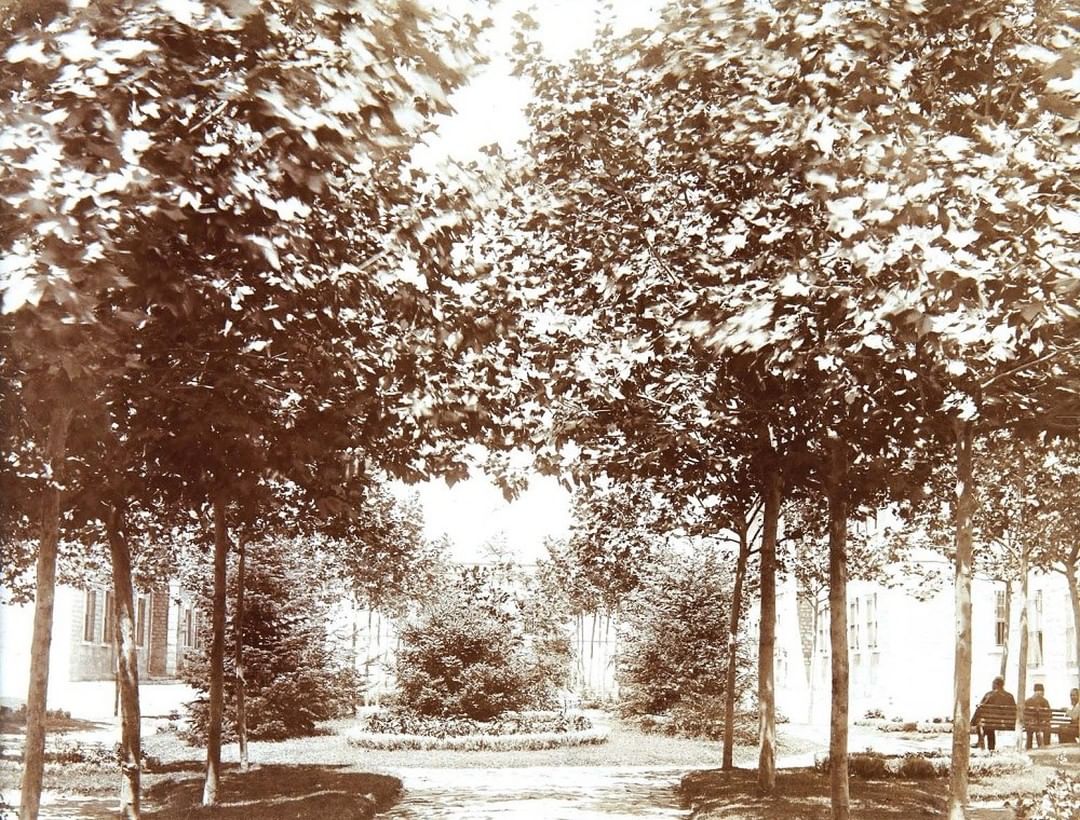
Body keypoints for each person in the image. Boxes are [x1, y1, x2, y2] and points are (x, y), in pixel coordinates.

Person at [972, 676, 1016, 751]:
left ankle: (983, 744)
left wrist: (972, 722)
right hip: (1007, 723)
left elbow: (981, 708)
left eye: (993, 684)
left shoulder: (989, 695)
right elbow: (1014, 710)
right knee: (989, 726)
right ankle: (988, 747)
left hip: (990, 722)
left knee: (986, 724)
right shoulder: (1010, 696)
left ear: (995, 684)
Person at [1023, 683, 1051, 749]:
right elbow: (1049, 715)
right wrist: (1044, 721)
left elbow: (1024, 714)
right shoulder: (1045, 701)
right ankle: (1046, 746)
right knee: (1046, 728)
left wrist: (1029, 721)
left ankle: (1028, 747)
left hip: (1030, 725)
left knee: (1030, 729)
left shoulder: (1027, 701)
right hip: (1041, 725)